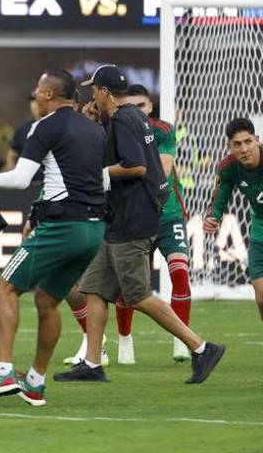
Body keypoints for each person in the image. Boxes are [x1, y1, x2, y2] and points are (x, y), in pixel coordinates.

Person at [55, 66, 224, 387]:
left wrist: (99, 174)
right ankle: (92, 363)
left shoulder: (123, 121)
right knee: (94, 290)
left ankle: (202, 347)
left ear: (105, 92)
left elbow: (136, 166)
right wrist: (97, 123)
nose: (92, 94)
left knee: (138, 296)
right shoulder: (131, 116)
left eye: (95, 89)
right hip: (120, 219)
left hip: (132, 220)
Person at [0, 69, 107, 407]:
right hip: (94, 228)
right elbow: (103, 180)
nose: (35, 93)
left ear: (48, 94)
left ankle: (2, 373)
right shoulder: (94, 129)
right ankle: (35, 381)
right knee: (47, 300)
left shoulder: (45, 126)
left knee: (3, 288)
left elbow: (21, 179)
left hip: (63, 226)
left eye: (38, 87)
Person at [112, 85, 193, 364]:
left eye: (141, 106)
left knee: (180, 274)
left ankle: (182, 341)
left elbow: (164, 170)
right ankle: (125, 341)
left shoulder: (164, 130)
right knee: (129, 285)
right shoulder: (117, 131)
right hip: (136, 218)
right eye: (130, 106)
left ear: (150, 107)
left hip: (169, 215)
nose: (137, 111)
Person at [206, 117, 263, 322]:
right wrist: (212, 217)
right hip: (260, 230)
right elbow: (219, 199)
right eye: (237, 144)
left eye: (248, 142)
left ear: (257, 139)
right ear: (229, 146)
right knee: (261, 297)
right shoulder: (228, 167)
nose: (244, 149)